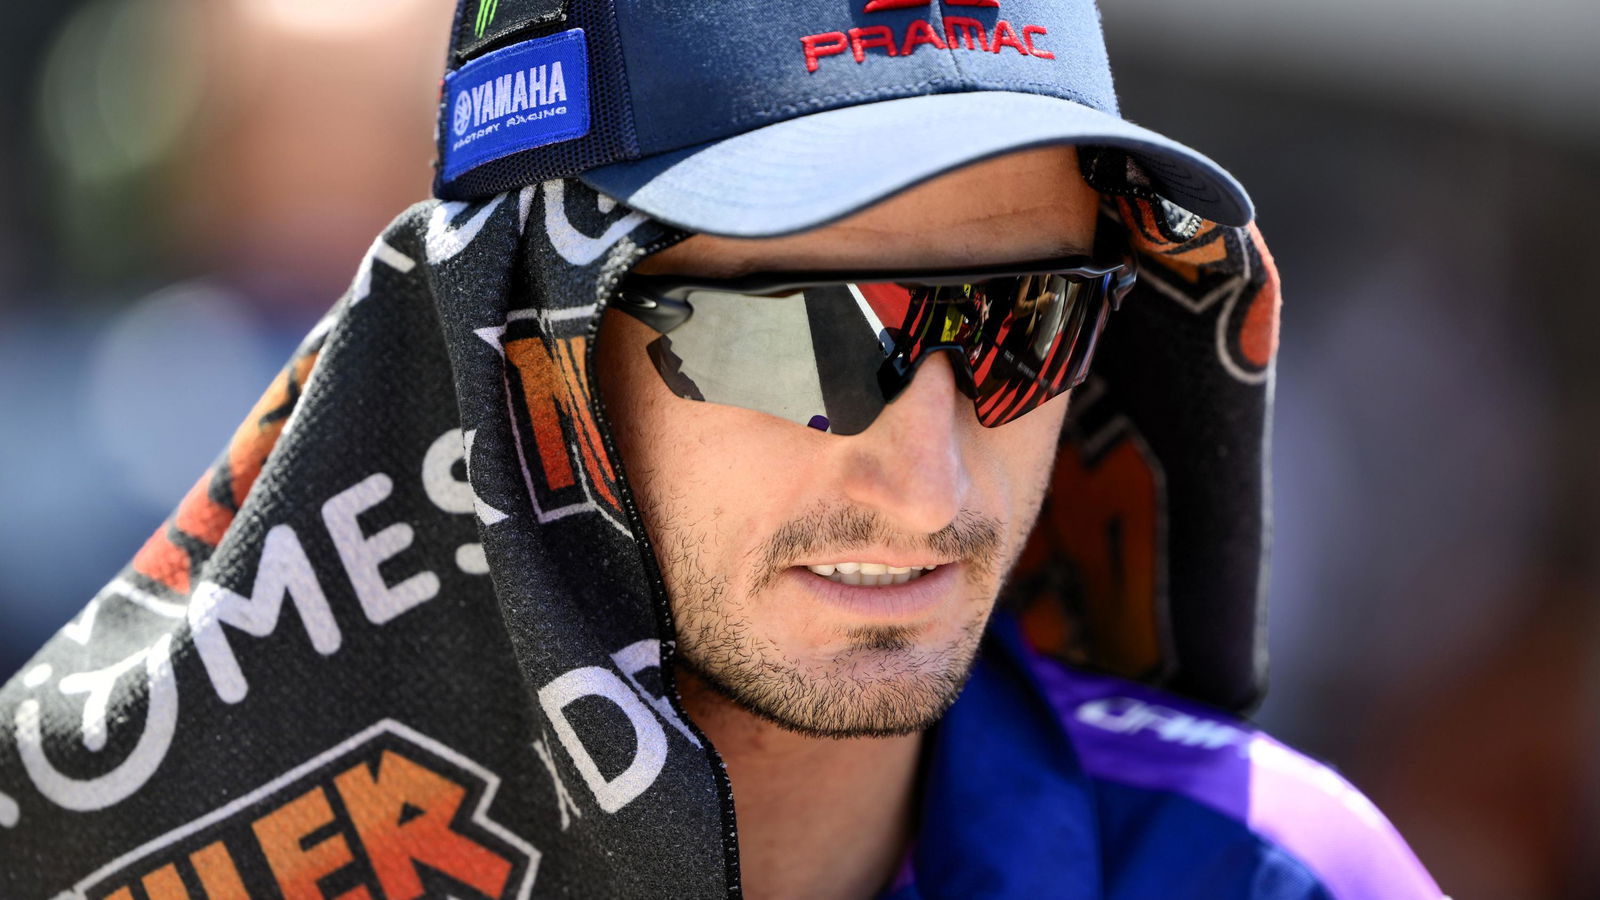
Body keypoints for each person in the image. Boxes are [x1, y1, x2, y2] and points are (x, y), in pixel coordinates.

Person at [0, 0, 1446, 897]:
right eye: (797, 335)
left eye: (1032, 326)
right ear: (531, 341)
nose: (930, 485)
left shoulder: (1268, 876)